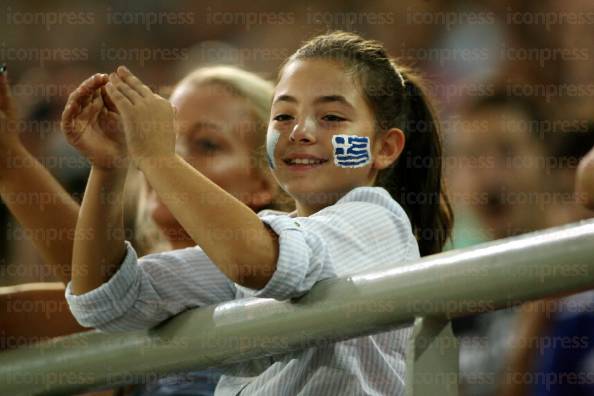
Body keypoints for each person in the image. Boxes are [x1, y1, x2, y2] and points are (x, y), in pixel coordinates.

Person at [65, 31, 453, 395]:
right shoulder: (259, 247)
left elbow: (255, 261)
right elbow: (107, 299)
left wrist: (157, 156)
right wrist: (110, 168)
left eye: (332, 117)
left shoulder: (376, 221)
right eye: (283, 116)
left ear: (384, 148)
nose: (300, 131)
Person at [0, 64, 288, 395]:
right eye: (163, 137)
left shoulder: (278, 280)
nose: (167, 154)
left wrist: (11, 163)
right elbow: (95, 294)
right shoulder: (138, 294)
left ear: (264, 182)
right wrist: (8, 156)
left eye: (207, 144)